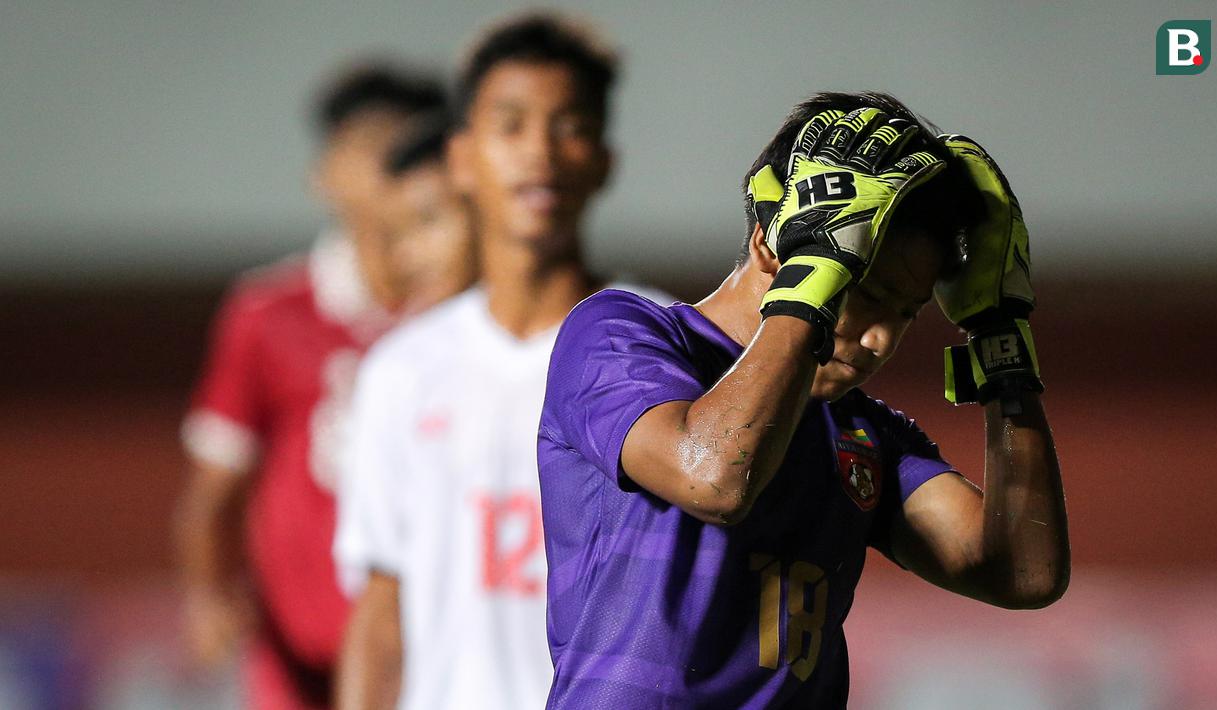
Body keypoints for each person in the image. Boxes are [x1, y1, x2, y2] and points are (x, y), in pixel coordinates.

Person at [538, 92, 1070, 708]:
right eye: (868, 291)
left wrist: (1001, 344)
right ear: (771, 243)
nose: (880, 339)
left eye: (907, 313)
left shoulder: (863, 432)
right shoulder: (621, 334)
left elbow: (1023, 571)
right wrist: (813, 278)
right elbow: (714, 475)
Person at [332, 13, 669, 710]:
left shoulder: (662, 345)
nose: (539, 153)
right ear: (460, 158)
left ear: (604, 159)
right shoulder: (401, 371)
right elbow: (381, 613)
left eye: (569, 124)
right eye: (510, 125)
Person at [175, 66, 472, 709]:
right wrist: (210, 594)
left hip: (437, 647)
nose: (388, 171)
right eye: (369, 148)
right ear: (325, 172)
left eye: (410, 148)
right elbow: (212, 491)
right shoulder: (269, 313)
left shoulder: (472, 322)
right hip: (300, 656)